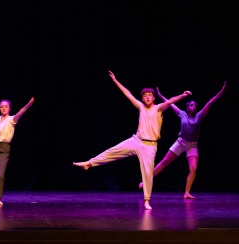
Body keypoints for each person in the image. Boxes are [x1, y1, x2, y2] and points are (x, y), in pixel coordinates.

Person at [73, 70, 192, 210]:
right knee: (113, 151)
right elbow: (128, 94)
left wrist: (182, 96)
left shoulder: (159, 108)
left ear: (154, 98)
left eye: (150, 95)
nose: (147, 97)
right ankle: (89, 163)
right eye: (145, 96)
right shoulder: (141, 107)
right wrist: (116, 81)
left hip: (150, 146)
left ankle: (147, 200)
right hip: (137, 140)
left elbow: (171, 100)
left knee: (147, 174)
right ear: (142, 99)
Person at [138, 82, 226, 199]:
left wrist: (221, 92)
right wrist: (160, 95)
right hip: (180, 142)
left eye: (195, 106)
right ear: (187, 107)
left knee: (193, 168)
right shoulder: (182, 114)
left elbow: (210, 103)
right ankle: (146, 181)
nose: (193, 107)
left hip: (192, 145)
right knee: (164, 161)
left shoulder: (199, 116)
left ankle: (187, 193)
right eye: (191, 105)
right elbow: (170, 103)